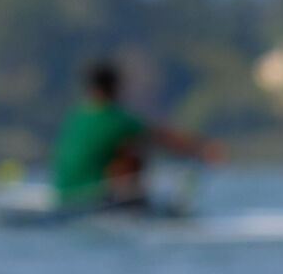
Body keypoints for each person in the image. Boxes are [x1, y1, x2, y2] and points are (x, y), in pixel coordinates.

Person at [50, 60, 221, 210]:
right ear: (115, 87)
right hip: (97, 201)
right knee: (132, 152)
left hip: (64, 198)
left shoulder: (75, 118)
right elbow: (161, 137)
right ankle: (137, 206)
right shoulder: (114, 120)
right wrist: (202, 149)